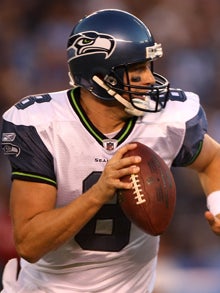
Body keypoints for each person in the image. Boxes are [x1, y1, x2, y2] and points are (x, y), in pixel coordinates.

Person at [1, 8, 220, 293]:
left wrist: (217, 204)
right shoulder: (43, 124)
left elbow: (212, 159)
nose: (150, 79)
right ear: (98, 77)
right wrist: (99, 192)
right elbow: (29, 243)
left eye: (149, 67)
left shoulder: (167, 119)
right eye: (136, 70)